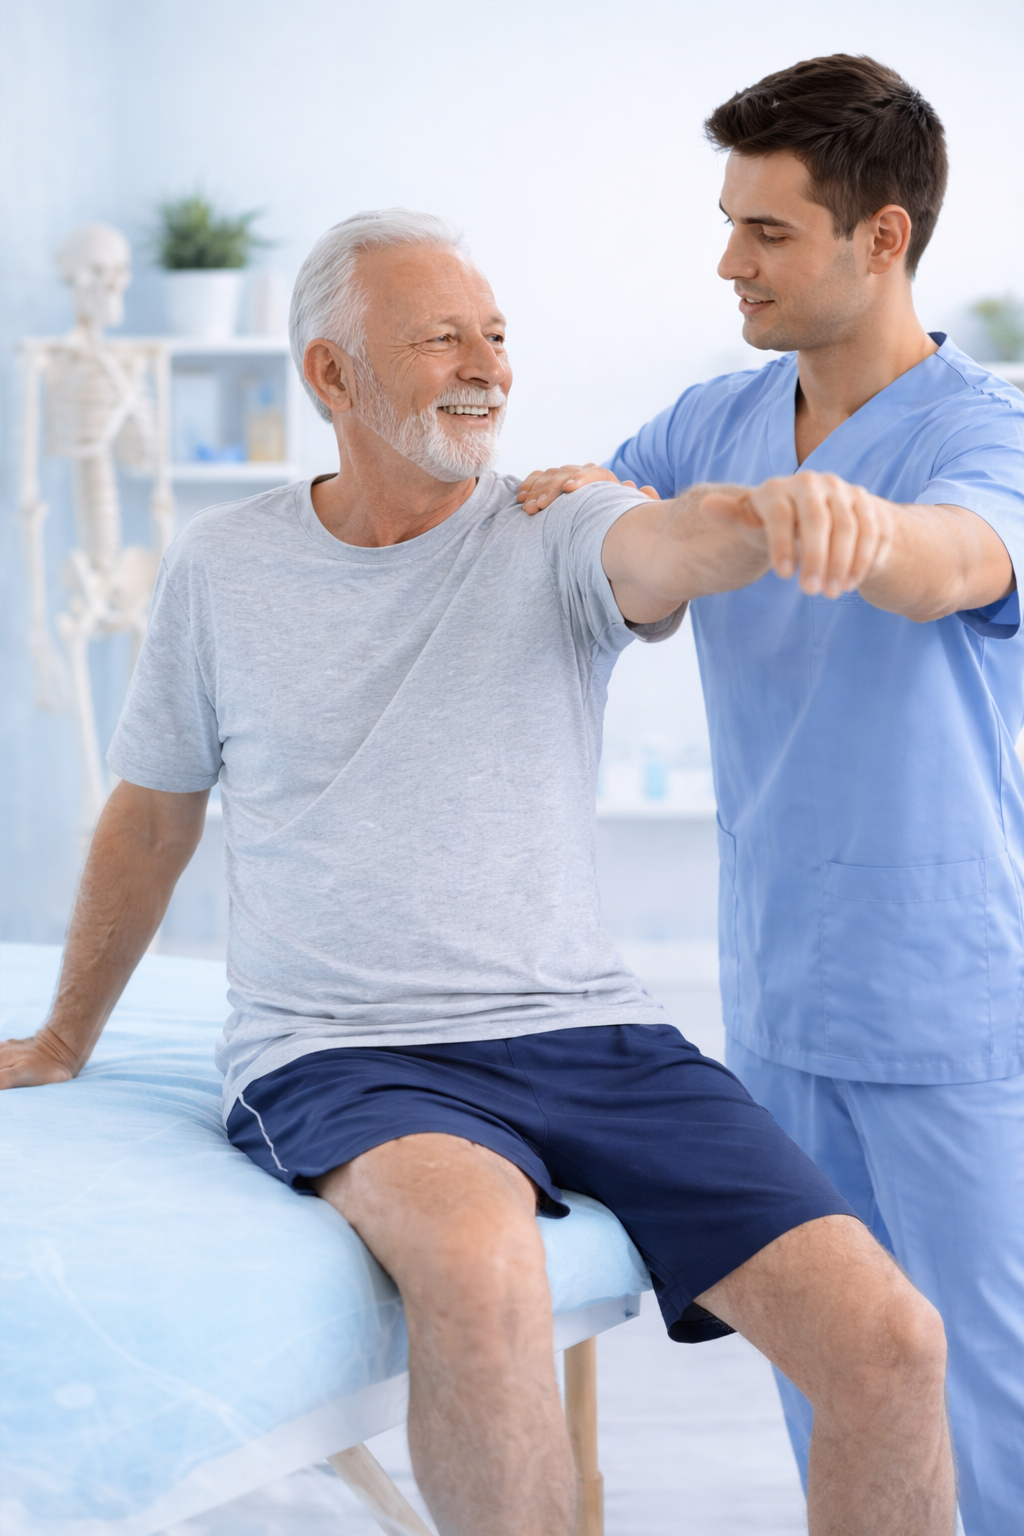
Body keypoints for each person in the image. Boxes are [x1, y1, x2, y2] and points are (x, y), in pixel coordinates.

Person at [0, 210, 954, 1536]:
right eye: (440, 335)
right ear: (331, 375)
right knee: (484, 1274)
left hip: (592, 1032)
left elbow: (674, 545)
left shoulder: (557, 525)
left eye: (496, 336)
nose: (484, 365)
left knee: (892, 1343)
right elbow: (153, 820)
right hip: (348, 1052)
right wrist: (61, 1037)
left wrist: (772, 513)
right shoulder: (224, 567)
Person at [518, 54, 1024, 1536]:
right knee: (830, 1362)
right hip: (782, 987)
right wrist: (611, 508)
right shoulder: (712, 423)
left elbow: (957, 566)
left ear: (884, 240)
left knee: (975, 1376)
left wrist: (858, 531)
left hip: (946, 997)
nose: (730, 261)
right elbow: (598, 538)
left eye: (770, 232)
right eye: (730, 223)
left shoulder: (977, 435)